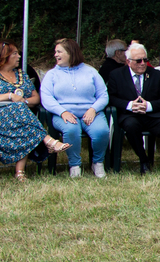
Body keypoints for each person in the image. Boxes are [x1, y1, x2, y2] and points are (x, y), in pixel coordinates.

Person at [0, 41, 70, 182]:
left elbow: (35, 98)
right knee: (22, 114)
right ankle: (48, 141)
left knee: (22, 116)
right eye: (15, 53)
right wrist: (10, 96)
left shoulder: (21, 75)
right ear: (4, 56)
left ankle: (20, 172)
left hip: (21, 118)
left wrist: (23, 101)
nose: (19, 56)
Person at [105, 42, 160, 179]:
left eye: (145, 60)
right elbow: (111, 98)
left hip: (154, 115)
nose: (143, 63)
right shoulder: (116, 75)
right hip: (130, 115)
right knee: (131, 126)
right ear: (128, 61)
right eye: (138, 61)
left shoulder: (157, 75)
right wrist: (129, 105)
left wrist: (149, 106)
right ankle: (144, 160)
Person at [41, 37, 109, 178]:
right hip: (64, 114)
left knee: (101, 131)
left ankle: (97, 163)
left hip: (91, 113)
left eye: (59, 52)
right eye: (55, 52)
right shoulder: (52, 74)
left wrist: (93, 109)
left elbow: (103, 95)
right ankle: (75, 165)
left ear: (70, 53)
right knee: (71, 130)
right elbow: (46, 97)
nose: (56, 55)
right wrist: (62, 112)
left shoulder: (91, 72)